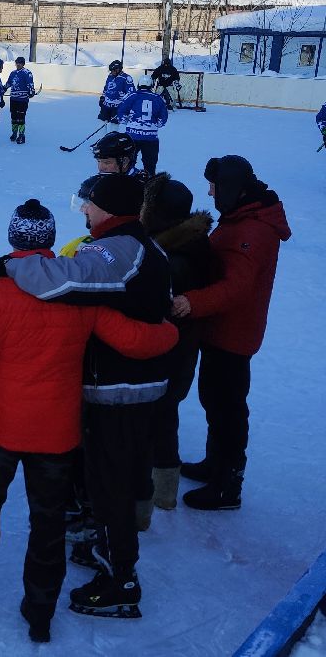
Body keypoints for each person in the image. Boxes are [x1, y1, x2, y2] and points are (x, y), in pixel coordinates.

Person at [0, 200, 176, 644]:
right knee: (48, 522)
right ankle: (40, 612)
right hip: (56, 432)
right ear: (50, 240)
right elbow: (133, 339)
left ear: (13, 239)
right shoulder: (76, 293)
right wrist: (169, 331)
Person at [0, 174, 171, 619]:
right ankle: (109, 554)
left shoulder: (116, 248)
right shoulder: (142, 244)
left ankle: (121, 582)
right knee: (107, 480)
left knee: (111, 486)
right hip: (130, 384)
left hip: (120, 390)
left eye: (87, 205)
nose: (84, 213)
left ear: (107, 208)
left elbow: (60, 281)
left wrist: (10, 265)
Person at [172, 156, 290, 511]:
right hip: (219, 327)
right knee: (214, 398)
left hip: (233, 332)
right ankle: (214, 464)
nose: (209, 192)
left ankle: (228, 485)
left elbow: (235, 288)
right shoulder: (240, 215)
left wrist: (190, 302)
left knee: (228, 407)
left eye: (213, 186)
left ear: (231, 187)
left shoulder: (253, 230)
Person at [140, 173, 214, 512]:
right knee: (165, 416)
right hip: (182, 354)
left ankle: (148, 498)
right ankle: (164, 491)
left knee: (153, 420)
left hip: (164, 354)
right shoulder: (189, 244)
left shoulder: (169, 257)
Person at [116, 74, 169, 178]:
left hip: (133, 136)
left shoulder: (132, 96)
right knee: (150, 165)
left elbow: (121, 112)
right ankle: (150, 186)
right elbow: (163, 118)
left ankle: (126, 182)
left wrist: (127, 121)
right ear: (151, 85)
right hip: (151, 137)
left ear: (139, 84)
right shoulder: (158, 98)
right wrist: (154, 126)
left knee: (128, 163)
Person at [5, 56, 38, 145]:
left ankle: (21, 135)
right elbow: (9, 83)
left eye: (20, 62)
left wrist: (31, 91)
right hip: (13, 99)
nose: (18, 64)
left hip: (22, 100)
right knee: (14, 117)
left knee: (21, 117)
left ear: (23, 64)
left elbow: (30, 84)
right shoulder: (13, 73)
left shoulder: (27, 73)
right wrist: (3, 88)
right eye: (17, 62)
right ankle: (14, 133)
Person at [98, 60, 135, 133]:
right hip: (106, 105)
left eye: (113, 70)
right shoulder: (110, 76)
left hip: (117, 106)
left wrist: (124, 103)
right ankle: (101, 141)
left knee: (114, 125)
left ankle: (111, 141)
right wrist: (102, 97)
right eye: (110, 70)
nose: (111, 72)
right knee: (101, 122)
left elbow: (131, 93)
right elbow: (106, 88)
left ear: (118, 69)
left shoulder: (126, 78)